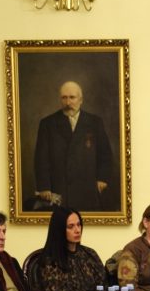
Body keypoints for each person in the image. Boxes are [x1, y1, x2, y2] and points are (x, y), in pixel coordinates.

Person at [34, 81, 114, 211]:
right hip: (58, 189)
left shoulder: (95, 122)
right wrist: (44, 186)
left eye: (72, 97)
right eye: (64, 98)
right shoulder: (47, 123)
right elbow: (41, 158)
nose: (68, 102)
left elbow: (105, 154)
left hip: (87, 189)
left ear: (81, 100)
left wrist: (102, 179)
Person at [29, 206, 105, 291]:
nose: (77, 230)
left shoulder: (90, 254)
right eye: (71, 226)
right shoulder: (49, 262)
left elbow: (104, 288)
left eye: (79, 225)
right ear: (59, 230)